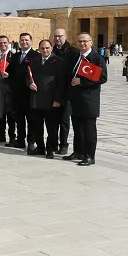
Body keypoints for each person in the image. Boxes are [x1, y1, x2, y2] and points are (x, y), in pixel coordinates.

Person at [63, 32, 107, 166]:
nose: (82, 43)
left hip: (89, 100)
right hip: (75, 99)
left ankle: (90, 156)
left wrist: (81, 82)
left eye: (85, 41)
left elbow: (102, 78)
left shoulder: (96, 58)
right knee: (77, 129)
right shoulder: (77, 56)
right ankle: (78, 152)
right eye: (80, 41)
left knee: (89, 130)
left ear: (91, 42)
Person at [26, 39, 67, 158]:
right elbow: (28, 76)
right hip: (36, 99)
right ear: (38, 49)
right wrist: (29, 83)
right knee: (37, 126)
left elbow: (61, 82)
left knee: (52, 128)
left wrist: (58, 99)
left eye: (47, 48)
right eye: (42, 48)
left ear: (51, 48)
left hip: (51, 100)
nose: (45, 50)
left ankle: (50, 149)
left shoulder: (59, 61)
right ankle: (40, 147)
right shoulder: (34, 61)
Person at [6, 33, 41, 150]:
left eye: (26, 40)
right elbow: (11, 72)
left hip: (29, 94)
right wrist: (7, 74)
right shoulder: (16, 56)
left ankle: (31, 141)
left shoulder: (36, 56)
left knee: (31, 119)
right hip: (17, 94)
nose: (24, 42)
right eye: (22, 40)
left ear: (31, 41)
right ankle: (20, 140)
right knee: (19, 119)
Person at [52, 28, 79, 155]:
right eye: (56, 36)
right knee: (53, 119)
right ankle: (52, 143)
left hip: (67, 91)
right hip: (53, 90)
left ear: (65, 36)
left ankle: (63, 144)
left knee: (64, 119)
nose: (57, 38)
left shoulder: (73, 52)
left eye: (60, 36)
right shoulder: (52, 50)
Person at [0, 35, 15, 144]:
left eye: (5, 43)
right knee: (0, 112)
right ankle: (1, 134)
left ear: (9, 43)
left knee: (10, 113)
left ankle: (12, 137)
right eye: (1, 43)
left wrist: (9, 75)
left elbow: (16, 73)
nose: (3, 45)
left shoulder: (13, 57)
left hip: (9, 89)